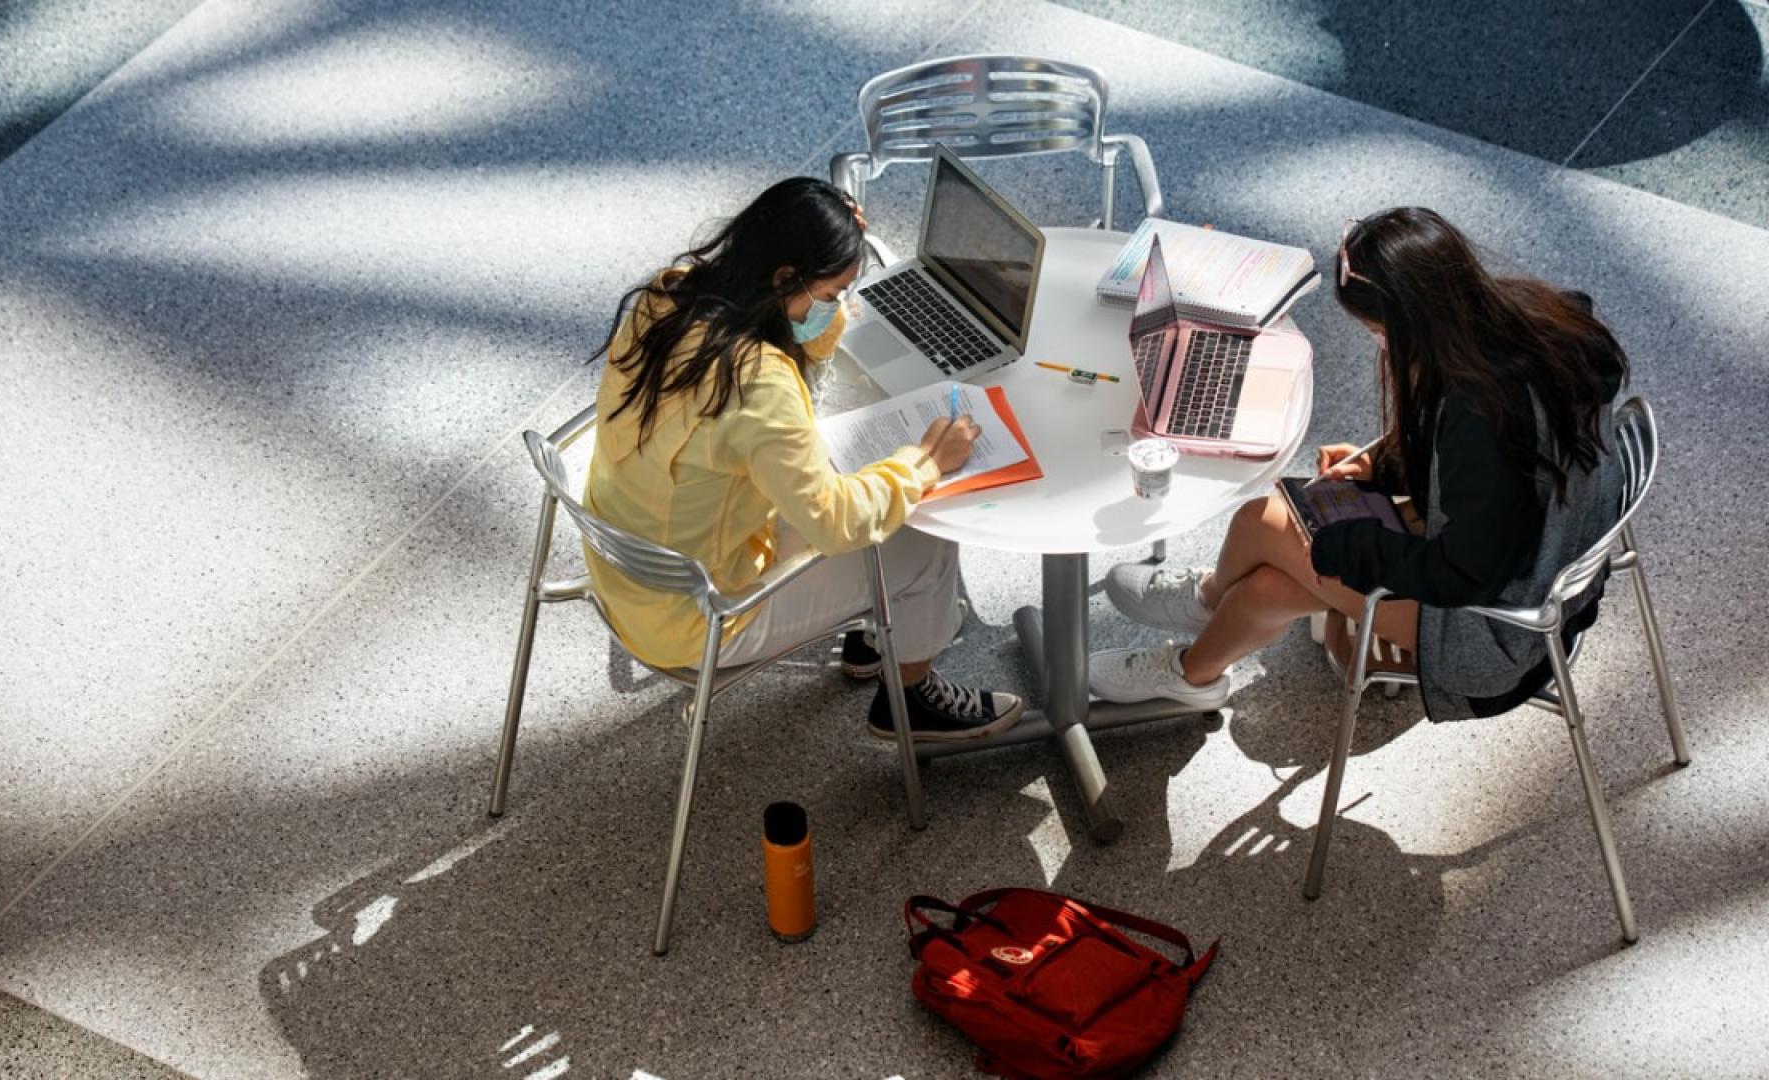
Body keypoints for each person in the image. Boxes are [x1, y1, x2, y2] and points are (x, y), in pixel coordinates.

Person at [1089, 207, 1628, 723]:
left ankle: (1207, 599)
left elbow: (1460, 572)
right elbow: (1498, 482)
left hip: (1492, 633)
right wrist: (1384, 465)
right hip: (1548, 573)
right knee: (1265, 588)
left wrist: (1343, 547)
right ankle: (1193, 671)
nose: (1382, 346)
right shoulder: (1536, 315)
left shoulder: (1477, 409)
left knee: (1262, 521)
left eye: (1379, 332)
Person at [583, 177, 1023, 740]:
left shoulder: (668, 294)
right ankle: (908, 700)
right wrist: (926, 463)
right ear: (783, 278)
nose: (838, 306)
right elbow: (836, 523)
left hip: (632, 571)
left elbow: (797, 337)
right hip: (699, 616)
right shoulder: (758, 382)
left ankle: (873, 636)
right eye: (835, 293)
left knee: (859, 478)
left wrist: (834, 254)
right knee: (921, 529)